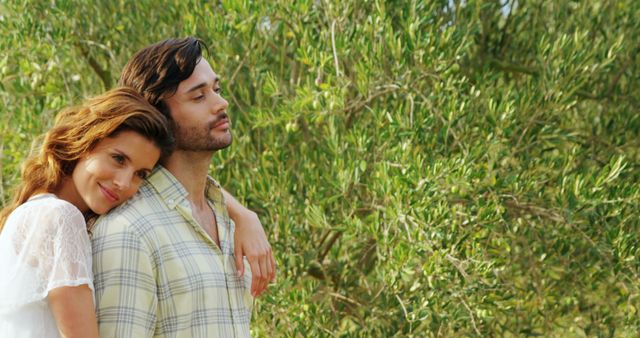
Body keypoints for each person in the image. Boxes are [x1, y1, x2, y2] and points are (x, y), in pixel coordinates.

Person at [91, 37, 273, 337]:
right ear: (159, 117)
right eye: (198, 97)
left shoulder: (229, 223)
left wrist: (244, 215)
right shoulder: (129, 233)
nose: (222, 103)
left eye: (216, 89)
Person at [0, 87, 175, 338]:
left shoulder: (31, 211)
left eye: (141, 174)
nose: (124, 183)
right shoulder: (62, 218)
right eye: (118, 159)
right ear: (85, 142)